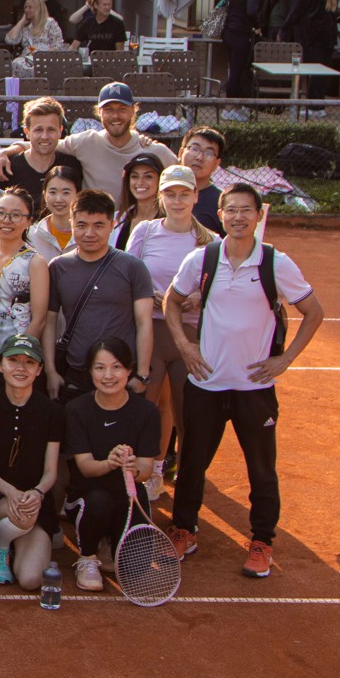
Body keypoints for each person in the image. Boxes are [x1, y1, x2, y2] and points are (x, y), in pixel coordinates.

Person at [164, 184, 325, 578]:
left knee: (261, 468)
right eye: (230, 210)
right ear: (220, 215)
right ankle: (185, 530)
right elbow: (172, 300)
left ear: (258, 216)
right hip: (207, 384)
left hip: (255, 388)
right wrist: (186, 347)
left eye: (246, 210)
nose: (238, 217)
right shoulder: (203, 259)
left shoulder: (276, 263)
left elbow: (313, 311)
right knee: (192, 463)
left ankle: (262, 541)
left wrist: (284, 360)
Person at [127, 165, 216, 484]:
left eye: (184, 194)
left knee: (185, 412)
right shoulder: (145, 231)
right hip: (149, 332)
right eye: (170, 194)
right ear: (161, 197)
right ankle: (147, 474)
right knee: (147, 407)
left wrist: (199, 297)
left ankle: (180, 474)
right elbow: (129, 273)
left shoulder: (211, 241)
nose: (177, 201)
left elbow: (221, 286)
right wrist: (147, 293)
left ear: (195, 196)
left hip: (190, 337)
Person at [62, 337, 161, 592]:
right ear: (90, 371)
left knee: (135, 570)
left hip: (127, 496)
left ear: (129, 370)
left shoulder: (148, 412)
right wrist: (109, 463)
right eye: (100, 367)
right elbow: (84, 467)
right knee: (99, 501)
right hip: (88, 496)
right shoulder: (76, 409)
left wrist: (133, 468)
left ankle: (110, 542)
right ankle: (87, 556)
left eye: (116, 367)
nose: (108, 375)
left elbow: (146, 470)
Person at [42, 189, 152, 401]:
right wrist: (51, 372)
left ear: (112, 225)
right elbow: (49, 322)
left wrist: (142, 374)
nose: (89, 233)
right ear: (71, 224)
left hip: (122, 374)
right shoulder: (58, 267)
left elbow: (144, 322)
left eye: (98, 225)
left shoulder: (133, 267)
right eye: (81, 225)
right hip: (75, 372)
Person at [0, 335, 63, 588]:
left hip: (33, 503)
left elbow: (50, 472)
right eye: (13, 360)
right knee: (21, 512)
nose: (21, 368)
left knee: (31, 580)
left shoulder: (52, 412)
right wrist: (10, 492)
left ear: (39, 369)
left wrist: (37, 492)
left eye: (29, 362)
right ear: (0, 365)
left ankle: (6, 541)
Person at [0, 83, 165, 195]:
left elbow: (181, 176)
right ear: (99, 112)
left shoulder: (150, 149)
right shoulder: (85, 142)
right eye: (109, 109)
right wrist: (3, 153)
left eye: (122, 109)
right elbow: (43, 144)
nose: (115, 116)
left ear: (134, 111)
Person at [0, 188, 49, 389]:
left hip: (15, 356)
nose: (6, 220)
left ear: (28, 221)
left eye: (16, 215)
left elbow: (40, 318)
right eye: (0, 213)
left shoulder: (34, 261)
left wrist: (19, 358)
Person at [0, 97, 83, 206]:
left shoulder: (72, 165)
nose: (45, 136)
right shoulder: (7, 168)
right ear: (27, 132)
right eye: (38, 130)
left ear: (60, 131)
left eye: (51, 129)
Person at [223, 0, 272, 98]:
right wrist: (257, 26)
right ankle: (232, 104)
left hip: (228, 31)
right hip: (240, 34)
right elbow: (251, 12)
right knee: (238, 71)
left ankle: (231, 103)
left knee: (233, 67)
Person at [111, 150, 165, 249]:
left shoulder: (168, 221)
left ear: (160, 180)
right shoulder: (117, 219)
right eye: (135, 176)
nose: (140, 182)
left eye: (148, 176)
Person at [27, 165, 80, 260]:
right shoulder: (31, 235)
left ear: (78, 194)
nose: (58, 199)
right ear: (44, 194)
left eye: (66, 193)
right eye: (52, 192)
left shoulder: (89, 234)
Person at [178, 126, 225, 232]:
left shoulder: (222, 201)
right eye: (194, 149)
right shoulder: (163, 191)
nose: (199, 157)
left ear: (217, 163)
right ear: (181, 153)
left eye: (209, 153)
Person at [5, 0, 67, 72]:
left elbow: (58, 45)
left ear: (38, 9)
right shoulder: (25, 26)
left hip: (44, 59)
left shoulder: (49, 23)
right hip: (26, 59)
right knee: (15, 64)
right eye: (25, 7)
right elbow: (9, 40)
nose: (26, 10)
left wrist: (42, 56)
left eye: (30, 7)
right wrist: (22, 21)